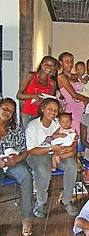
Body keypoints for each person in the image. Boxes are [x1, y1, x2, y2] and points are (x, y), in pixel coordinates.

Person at [26, 98, 78, 217]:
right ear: (42, 109)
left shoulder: (57, 123)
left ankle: (67, 200)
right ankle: (40, 203)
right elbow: (31, 150)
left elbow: (73, 137)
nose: (53, 112)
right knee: (44, 170)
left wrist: (71, 146)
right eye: (50, 109)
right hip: (37, 154)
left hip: (56, 153)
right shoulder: (33, 126)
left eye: (55, 110)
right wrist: (51, 149)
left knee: (72, 166)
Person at [0, 98, 33, 236]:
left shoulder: (15, 128)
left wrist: (17, 159)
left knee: (26, 176)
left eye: (11, 111)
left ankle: (26, 219)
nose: (7, 112)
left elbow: (25, 150)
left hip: (13, 162)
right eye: (5, 108)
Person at [16, 56, 58, 128]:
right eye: (46, 64)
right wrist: (34, 96)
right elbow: (19, 95)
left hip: (42, 115)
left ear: (54, 68)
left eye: (52, 65)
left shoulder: (52, 83)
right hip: (28, 112)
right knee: (28, 135)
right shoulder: (31, 76)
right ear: (41, 64)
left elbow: (50, 102)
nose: (49, 67)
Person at [57, 52, 89, 134]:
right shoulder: (61, 77)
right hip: (72, 108)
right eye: (67, 61)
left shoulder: (76, 76)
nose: (70, 64)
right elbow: (74, 94)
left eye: (71, 61)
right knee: (75, 132)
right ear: (61, 63)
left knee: (84, 132)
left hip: (83, 107)